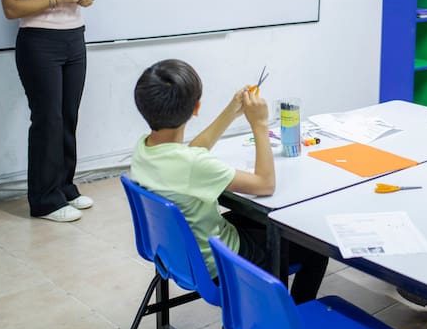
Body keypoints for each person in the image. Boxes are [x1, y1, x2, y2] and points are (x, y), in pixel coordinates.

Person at [130, 59, 328, 304]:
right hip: (219, 262)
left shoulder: (144, 149)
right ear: (196, 107)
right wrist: (260, 124)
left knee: (264, 223)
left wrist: (231, 111)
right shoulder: (194, 166)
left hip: (178, 251)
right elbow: (265, 184)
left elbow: (192, 153)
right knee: (314, 250)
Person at [0, 0, 96, 222]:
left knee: (68, 116)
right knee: (47, 120)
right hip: (39, 43)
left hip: (74, 39)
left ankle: (65, 188)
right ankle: (44, 201)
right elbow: (11, 7)